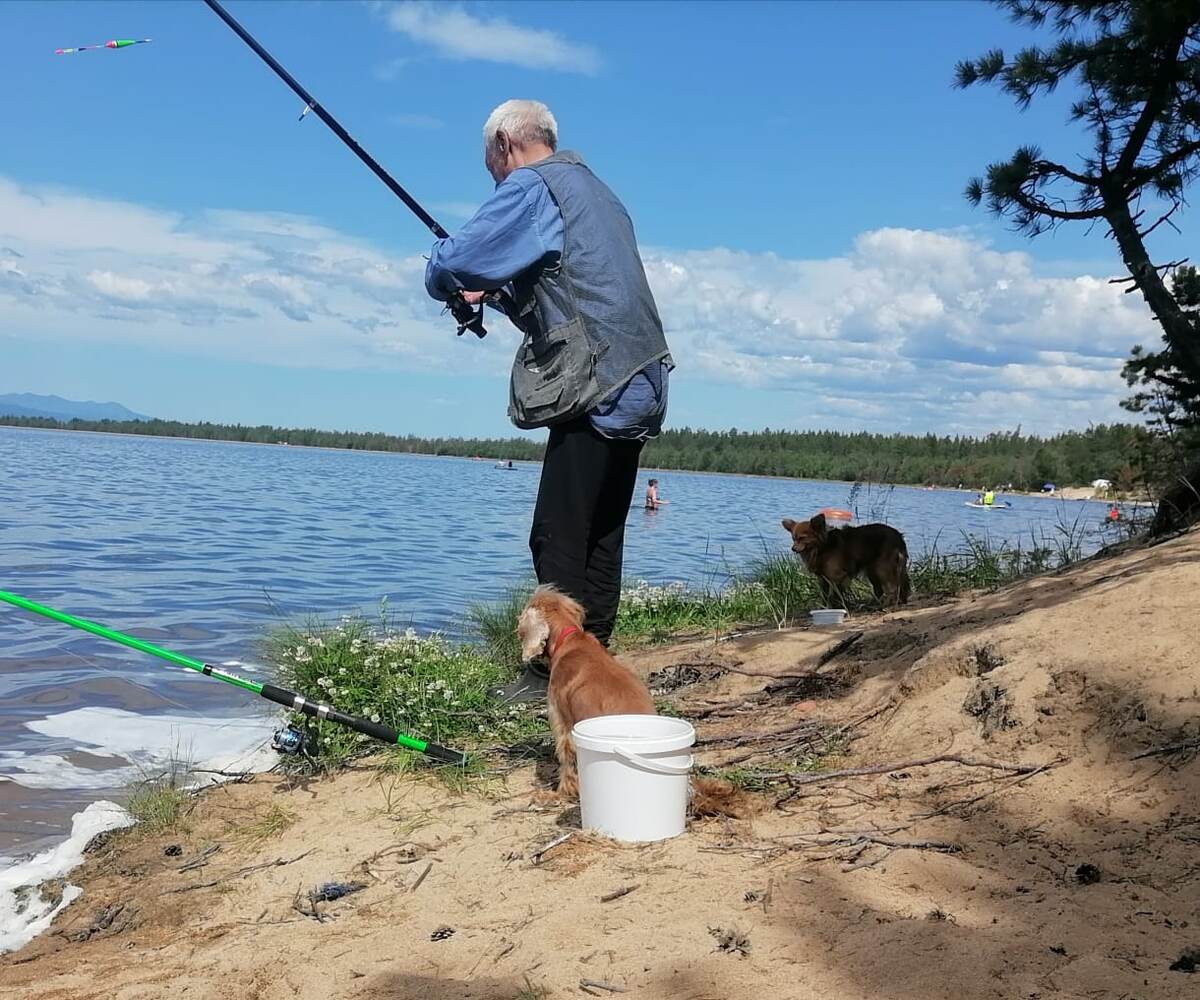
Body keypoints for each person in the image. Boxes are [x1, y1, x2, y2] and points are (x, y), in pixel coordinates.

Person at [425, 100, 672, 702]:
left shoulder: (534, 184)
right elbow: (570, 278)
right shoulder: (598, 192)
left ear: (507, 144)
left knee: (557, 537)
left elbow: (455, 258)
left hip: (598, 380)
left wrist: (445, 276)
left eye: (491, 164)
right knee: (602, 533)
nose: (494, 177)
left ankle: (552, 673)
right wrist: (499, 289)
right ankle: (598, 671)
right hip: (642, 376)